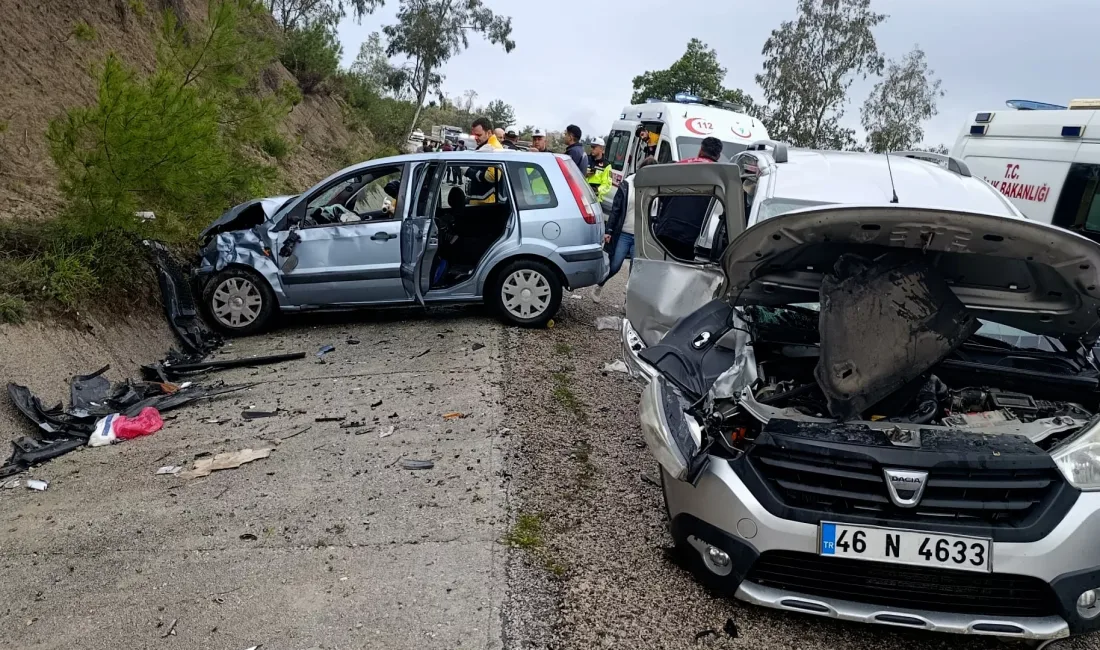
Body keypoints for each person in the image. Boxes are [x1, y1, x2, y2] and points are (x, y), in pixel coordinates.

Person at [592, 156, 657, 303]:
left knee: (635, 272)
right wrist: (609, 231)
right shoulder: (628, 185)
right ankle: (600, 284)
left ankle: (628, 302)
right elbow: (616, 209)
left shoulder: (655, 187)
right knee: (615, 265)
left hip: (640, 236)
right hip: (624, 233)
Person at [652, 136, 724, 260]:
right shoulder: (721, 177)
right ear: (718, 156)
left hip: (667, 229)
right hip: (693, 239)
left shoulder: (678, 167)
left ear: (700, 150)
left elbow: (660, 195)